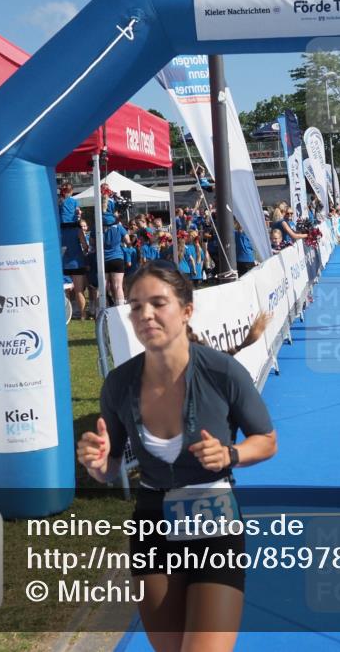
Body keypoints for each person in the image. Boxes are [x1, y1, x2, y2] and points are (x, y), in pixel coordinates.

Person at [76, 263, 276, 650]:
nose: (145, 314)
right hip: (151, 523)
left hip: (215, 521)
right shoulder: (118, 384)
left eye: (157, 303)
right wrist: (98, 465)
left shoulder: (223, 373)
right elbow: (111, 465)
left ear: (186, 310)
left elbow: (266, 440)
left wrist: (230, 453)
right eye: (135, 306)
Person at [102, 198, 129, 306]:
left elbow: (92, 242)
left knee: (103, 286)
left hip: (103, 259)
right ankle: (120, 308)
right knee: (118, 286)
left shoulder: (98, 224)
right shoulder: (118, 225)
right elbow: (128, 240)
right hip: (117, 257)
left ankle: (102, 309)